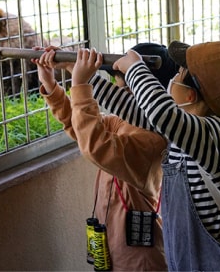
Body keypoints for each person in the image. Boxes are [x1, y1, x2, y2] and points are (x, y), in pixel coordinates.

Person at [83, 41, 220, 271]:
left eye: (179, 72)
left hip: (215, 264)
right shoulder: (190, 130)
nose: (173, 78)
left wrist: (136, 69)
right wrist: (81, 76)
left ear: (190, 94)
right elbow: (135, 110)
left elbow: (161, 113)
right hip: (189, 261)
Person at [33, 43, 177, 271]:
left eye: (125, 89)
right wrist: (52, 85)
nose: (118, 94)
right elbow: (81, 128)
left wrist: (80, 85)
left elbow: (95, 145)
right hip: (115, 246)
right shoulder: (125, 122)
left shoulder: (152, 141)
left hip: (140, 260)